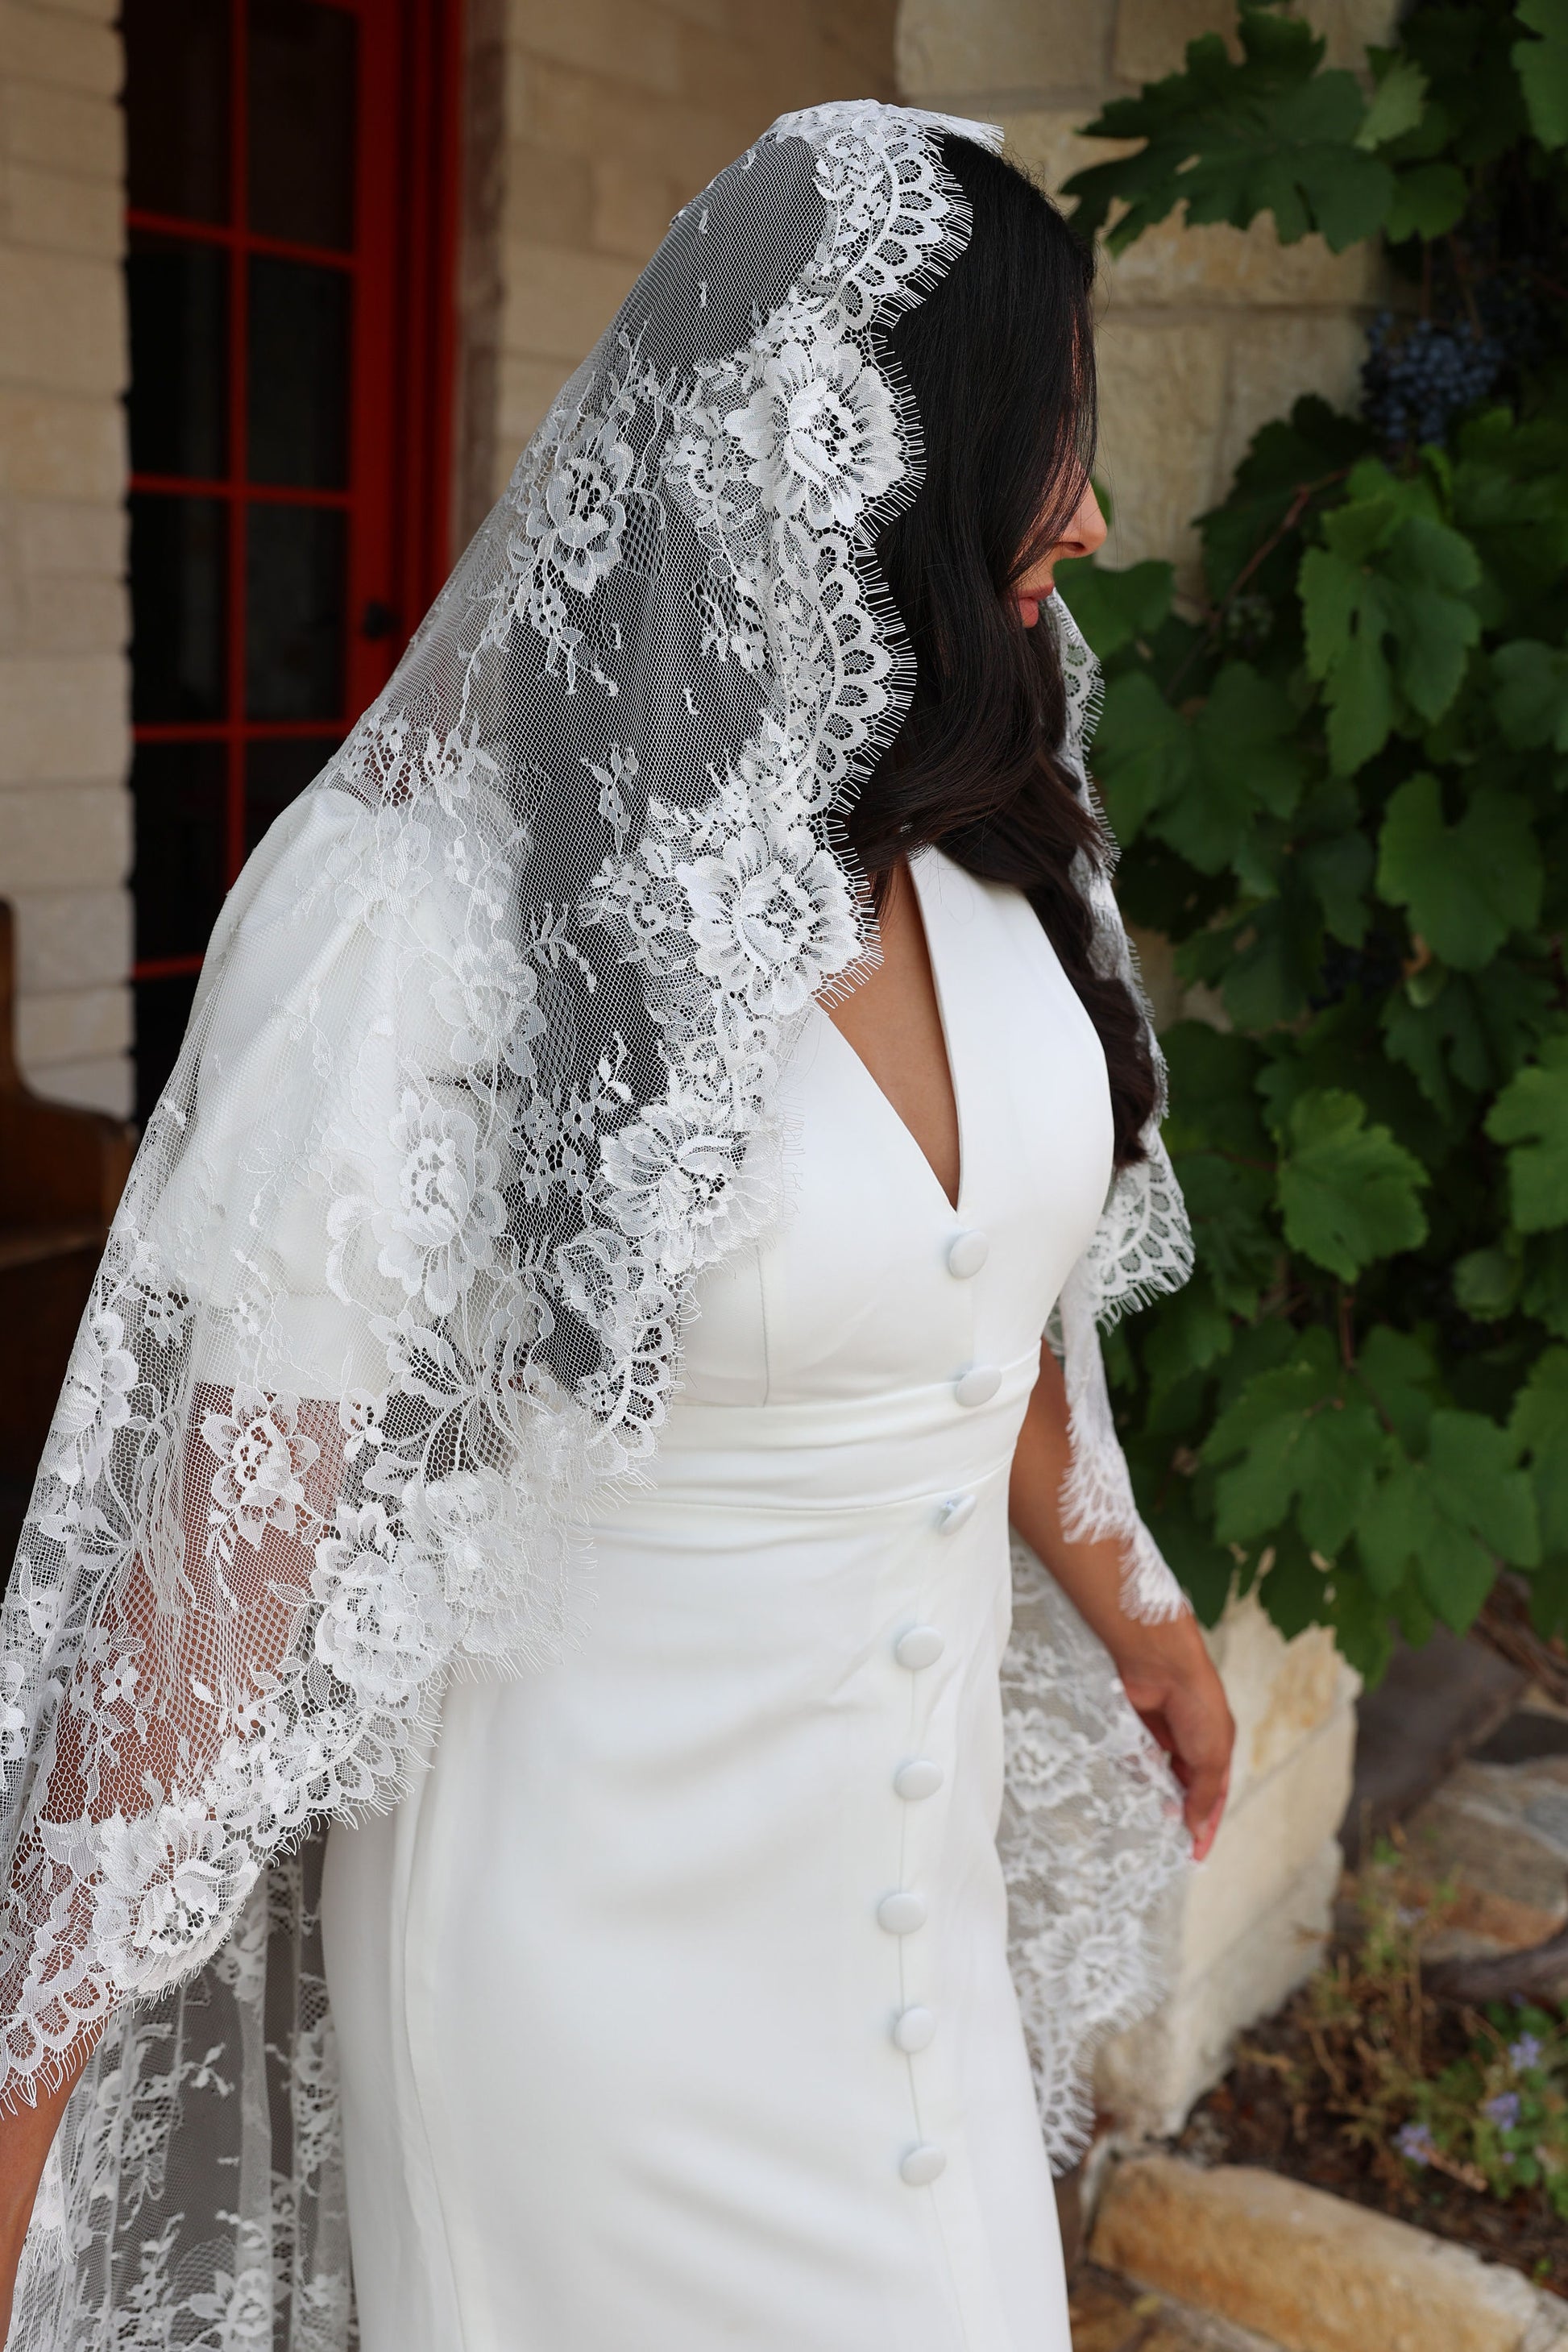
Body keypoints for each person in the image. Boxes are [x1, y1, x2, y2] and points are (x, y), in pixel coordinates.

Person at [0, 102, 1231, 2350]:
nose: (1087, 507)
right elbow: (210, 1605)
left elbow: (990, 1318)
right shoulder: (427, 921)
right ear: (850, 453)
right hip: (572, 2000)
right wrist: (10, 2113)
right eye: (1041, 430)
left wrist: (1131, 1602)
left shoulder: (978, 836)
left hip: (900, 1942)